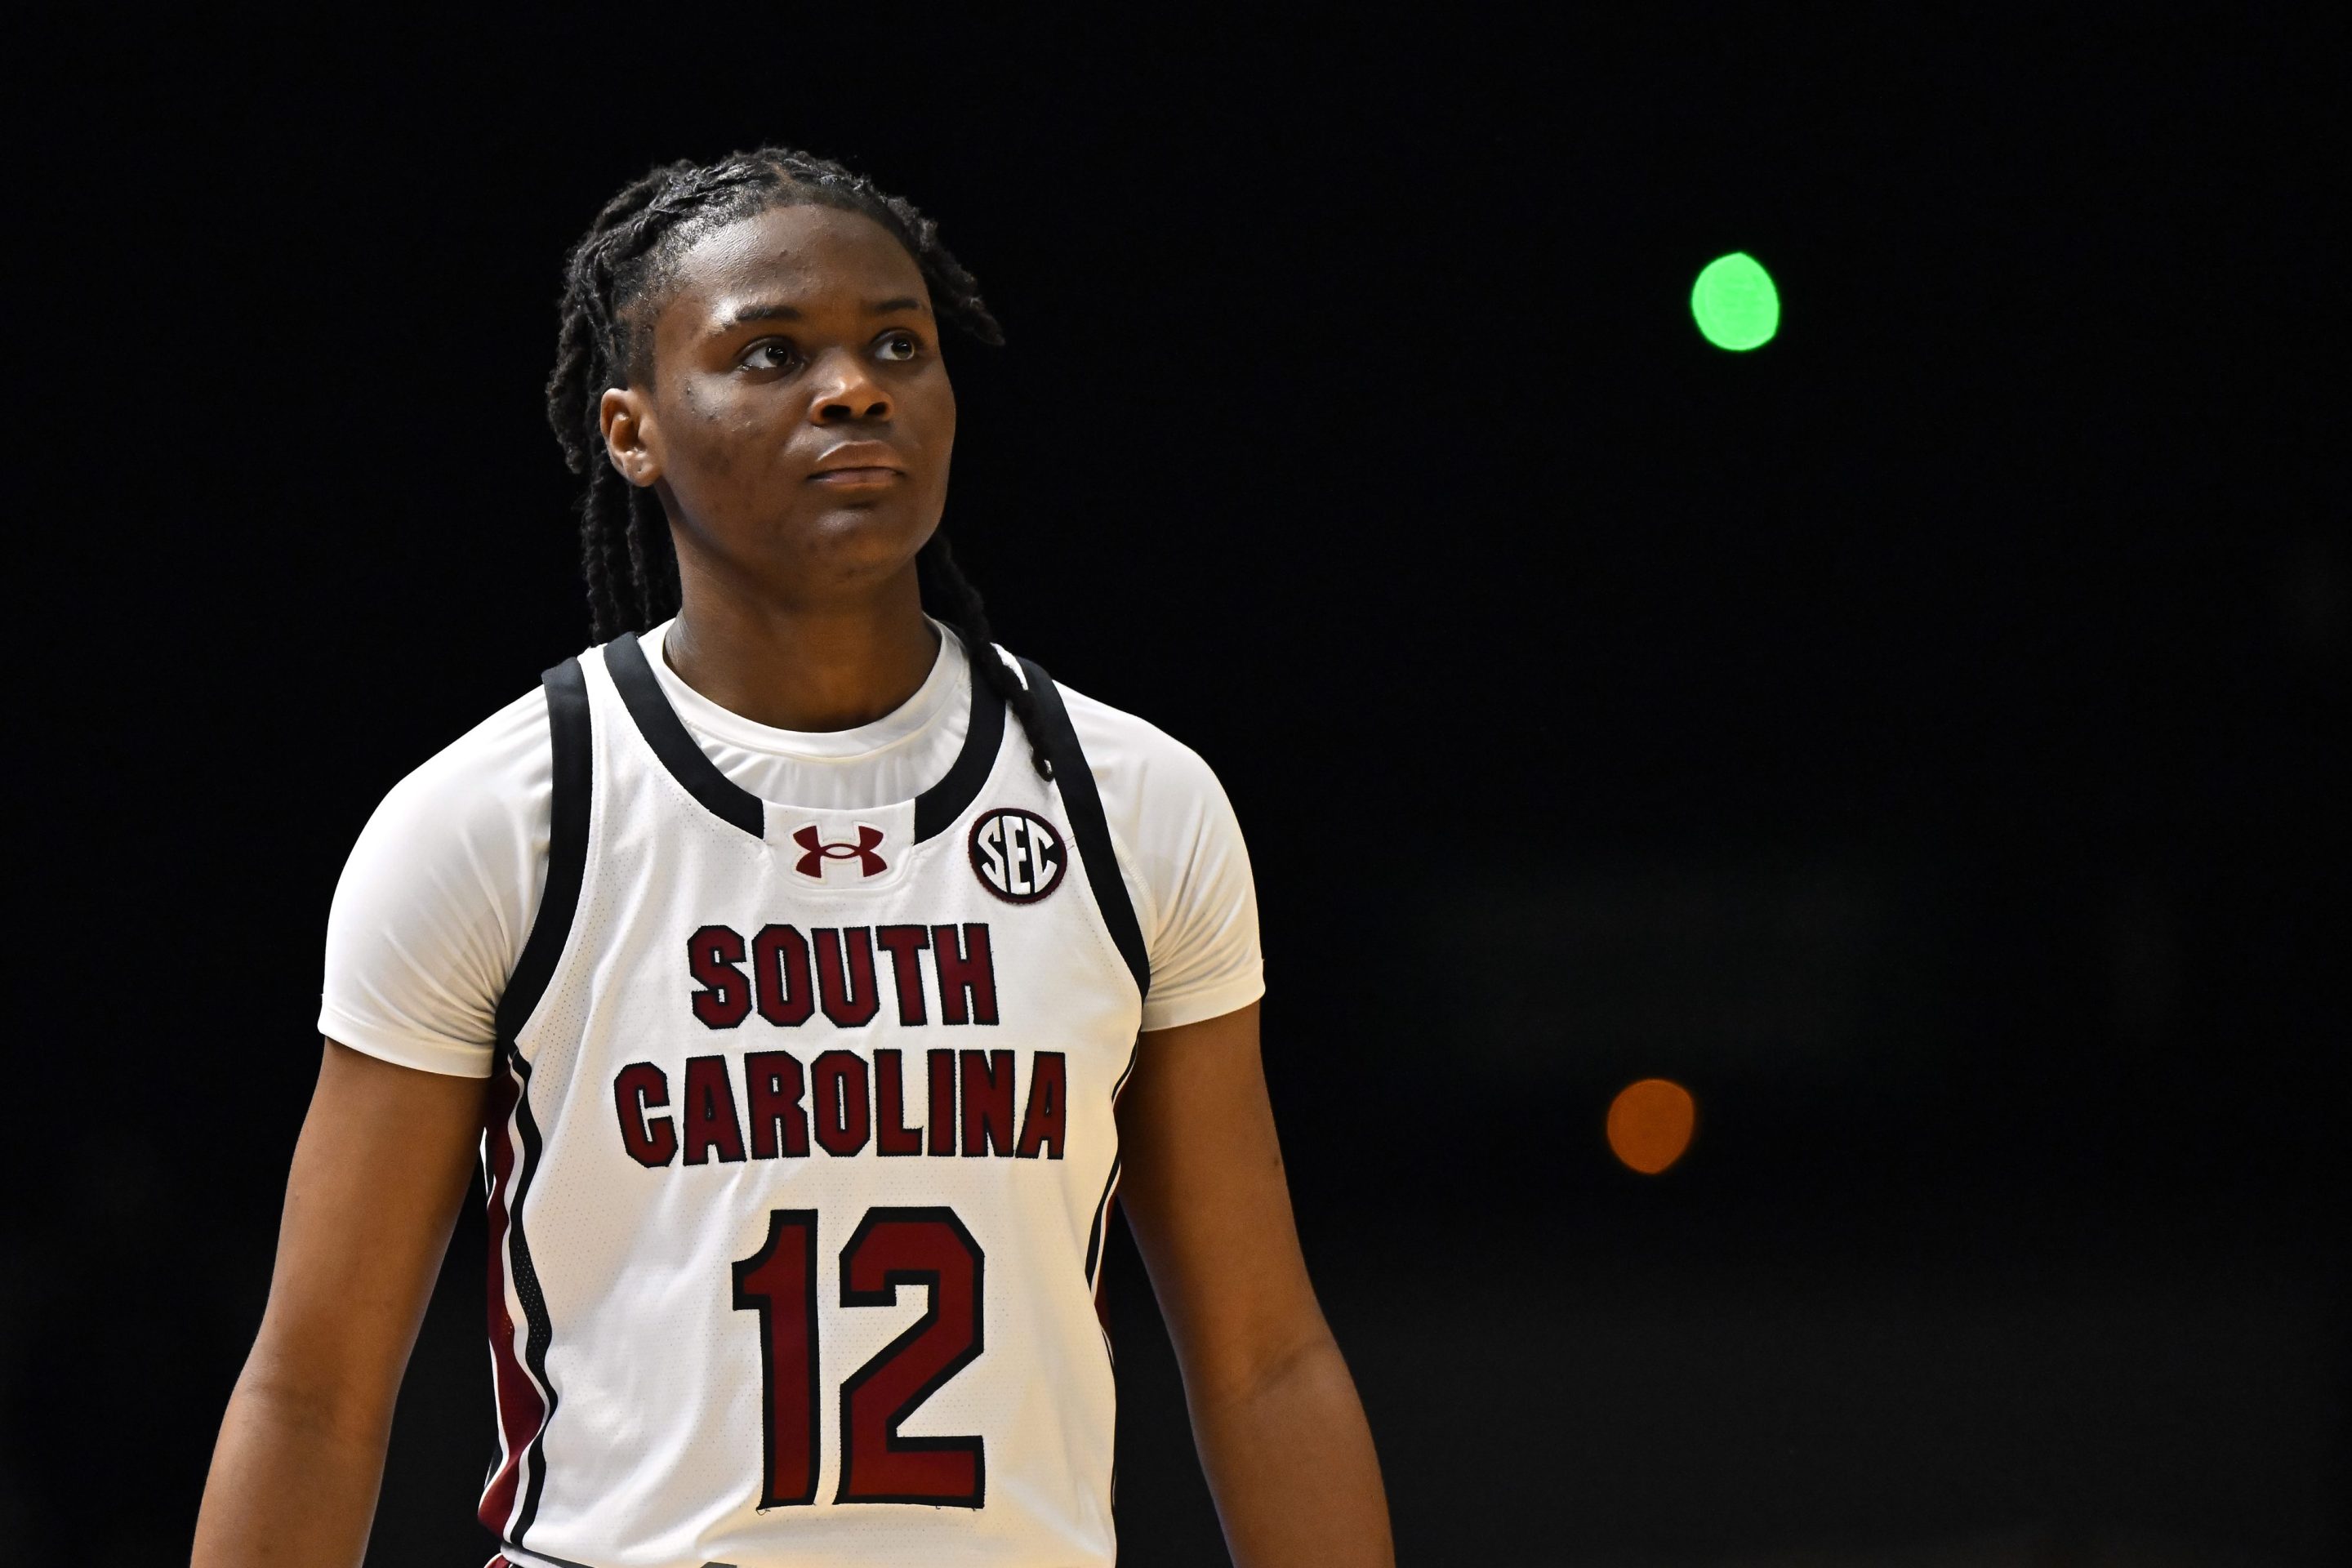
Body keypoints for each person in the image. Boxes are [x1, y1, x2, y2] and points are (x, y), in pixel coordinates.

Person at [190, 147, 1392, 1568]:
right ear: (630, 430)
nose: (855, 387)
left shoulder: (1131, 802)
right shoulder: (504, 816)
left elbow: (1264, 1359)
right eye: (769, 352)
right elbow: (315, 1391)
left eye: (899, 343)